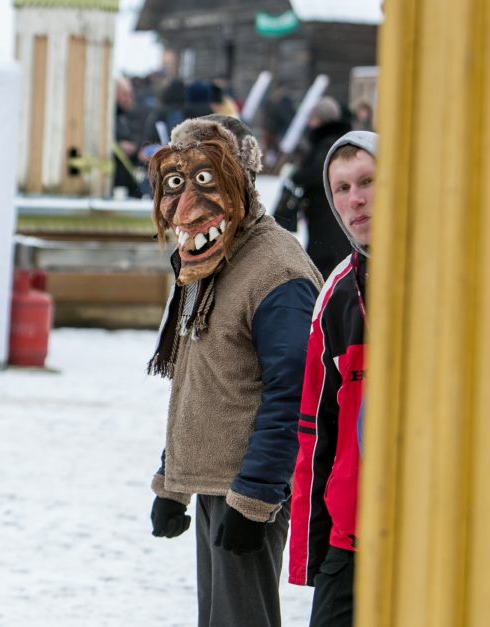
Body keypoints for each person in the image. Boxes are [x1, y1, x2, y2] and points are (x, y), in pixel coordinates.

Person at [146, 114, 322, 626]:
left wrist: (256, 497)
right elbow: (199, 378)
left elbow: (292, 393)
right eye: (174, 183)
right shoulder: (210, 260)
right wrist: (171, 482)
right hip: (214, 481)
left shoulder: (276, 271)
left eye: (207, 179)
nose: (186, 207)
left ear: (240, 178)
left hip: (247, 488)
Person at [289, 131, 377, 627]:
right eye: (341, 189)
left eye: (367, 182)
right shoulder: (337, 295)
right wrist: (310, 553)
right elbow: (315, 434)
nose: (355, 199)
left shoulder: (442, 277)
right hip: (351, 537)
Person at [274, 96, 353, 278]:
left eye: (313, 119)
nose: (309, 123)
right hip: (324, 210)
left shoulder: (327, 142)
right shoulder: (331, 140)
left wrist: (296, 175)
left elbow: (319, 173)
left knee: (326, 255)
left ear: (322, 119)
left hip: (326, 212)